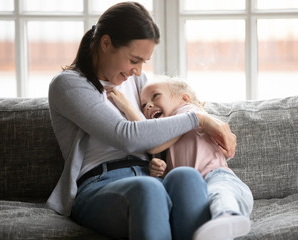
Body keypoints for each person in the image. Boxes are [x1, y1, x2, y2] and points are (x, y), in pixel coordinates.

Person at [46, 2, 237, 240]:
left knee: (186, 176)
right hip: (98, 185)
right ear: (106, 44)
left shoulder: (135, 81)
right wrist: (197, 119)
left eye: (143, 63)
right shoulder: (69, 84)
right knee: (149, 190)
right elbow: (126, 135)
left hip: (151, 177)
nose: (138, 71)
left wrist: (161, 155)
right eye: (134, 60)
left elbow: (159, 128)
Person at [109, 76, 254, 240]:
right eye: (143, 106)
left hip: (215, 174)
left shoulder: (190, 112)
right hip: (191, 190)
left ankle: (227, 217)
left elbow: (152, 142)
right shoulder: (166, 132)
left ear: (184, 98)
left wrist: (128, 108)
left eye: (155, 96)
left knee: (220, 192)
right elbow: (166, 164)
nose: (148, 105)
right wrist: (158, 167)